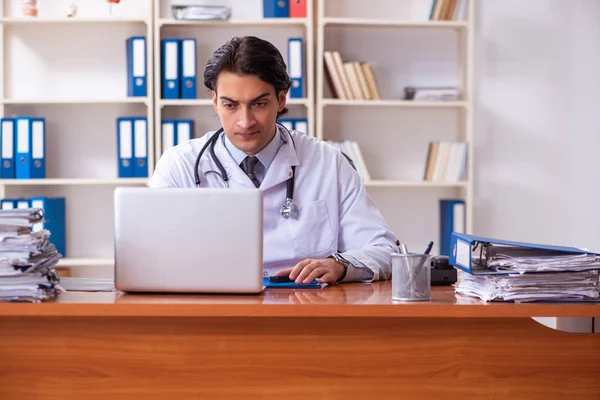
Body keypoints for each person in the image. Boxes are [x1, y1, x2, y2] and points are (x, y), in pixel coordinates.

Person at [149, 36, 397, 284]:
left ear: (281, 99)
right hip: (215, 311)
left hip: (305, 310)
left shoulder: (328, 162)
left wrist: (340, 266)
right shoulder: (179, 165)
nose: (245, 121)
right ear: (215, 102)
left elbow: (384, 249)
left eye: (259, 104)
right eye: (230, 105)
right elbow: (150, 255)